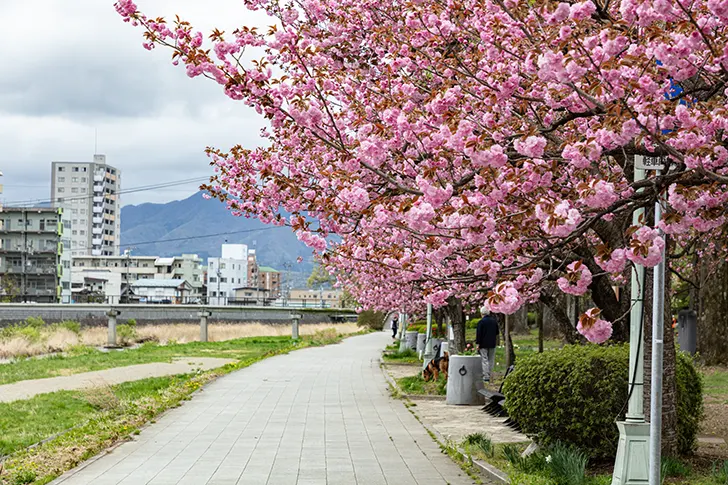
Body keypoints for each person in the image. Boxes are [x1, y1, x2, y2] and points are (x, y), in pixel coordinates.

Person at [476, 307, 499, 383]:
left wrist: (478, 344)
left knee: (484, 359)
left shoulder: (481, 322)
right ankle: (490, 374)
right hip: (492, 343)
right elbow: (497, 332)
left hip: (483, 344)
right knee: (491, 360)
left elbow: (479, 334)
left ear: (482, 313)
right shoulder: (494, 321)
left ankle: (486, 376)